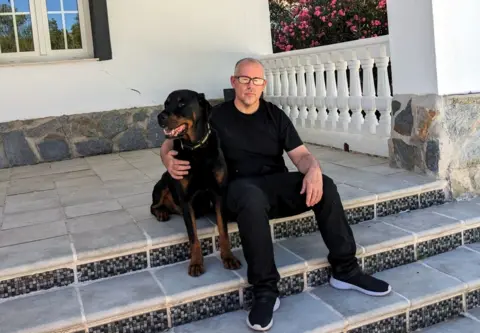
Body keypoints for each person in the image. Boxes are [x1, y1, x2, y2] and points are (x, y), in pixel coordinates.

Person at [160, 57, 391, 331]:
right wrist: (167, 161)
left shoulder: (274, 115)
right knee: (250, 195)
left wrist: (314, 169)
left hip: (274, 185)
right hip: (238, 192)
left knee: (325, 184)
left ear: (263, 84)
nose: (250, 86)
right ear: (234, 82)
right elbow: (170, 140)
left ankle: (346, 270)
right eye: (244, 79)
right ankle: (265, 290)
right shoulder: (216, 116)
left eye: (256, 80)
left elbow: (301, 155)